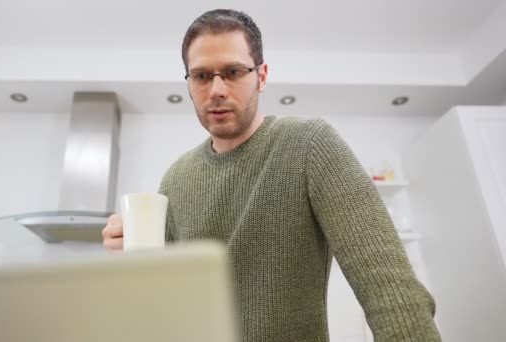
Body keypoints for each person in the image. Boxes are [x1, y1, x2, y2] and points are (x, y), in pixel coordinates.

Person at [102, 9, 441, 342]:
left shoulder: (310, 144)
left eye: (233, 72)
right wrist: (133, 258)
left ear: (261, 76)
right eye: (202, 76)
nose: (217, 89)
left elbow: (390, 288)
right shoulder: (175, 179)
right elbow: (169, 299)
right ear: (189, 85)